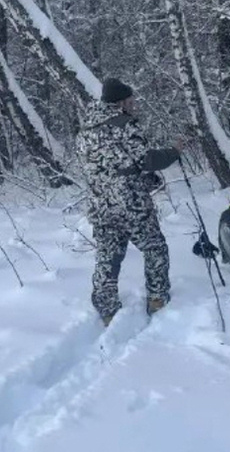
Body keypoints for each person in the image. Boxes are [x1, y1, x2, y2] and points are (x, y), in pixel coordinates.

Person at [76, 77, 182, 326]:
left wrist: (141, 179)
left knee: (107, 255)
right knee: (155, 248)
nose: (134, 105)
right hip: (131, 205)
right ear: (121, 102)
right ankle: (156, 299)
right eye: (131, 101)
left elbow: (107, 167)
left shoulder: (85, 131)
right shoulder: (124, 126)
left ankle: (106, 308)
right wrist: (175, 151)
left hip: (101, 205)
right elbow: (147, 160)